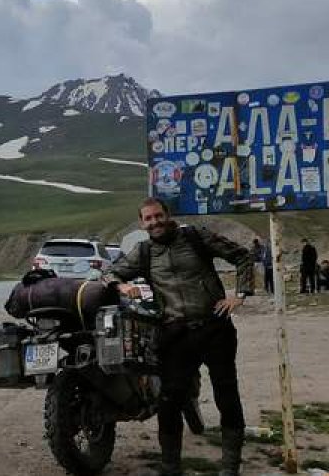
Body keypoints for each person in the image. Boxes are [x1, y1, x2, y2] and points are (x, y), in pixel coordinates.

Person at [105, 197, 254, 476]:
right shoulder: (144, 252)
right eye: (148, 219)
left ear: (167, 214)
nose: (155, 222)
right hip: (175, 335)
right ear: (142, 223)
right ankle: (171, 467)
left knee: (227, 394)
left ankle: (230, 466)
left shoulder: (195, 236)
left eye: (158, 216)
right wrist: (121, 286)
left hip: (214, 327)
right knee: (169, 401)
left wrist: (240, 295)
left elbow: (243, 255)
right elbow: (109, 273)